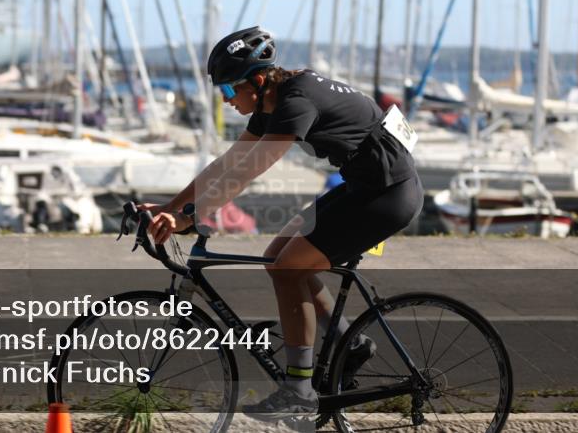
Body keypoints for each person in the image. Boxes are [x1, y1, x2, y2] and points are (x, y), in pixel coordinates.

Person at [143, 26, 424, 425]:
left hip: (388, 197)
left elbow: (248, 172)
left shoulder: (296, 101)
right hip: (365, 187)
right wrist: (169, 208)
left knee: (288, 267)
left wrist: (189, 217)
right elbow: (228, 163)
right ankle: (350, 343)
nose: (226, 101)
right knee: (277, 255)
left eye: (228, 91)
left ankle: (299, 389)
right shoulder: (273, 101)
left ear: (257, 81)